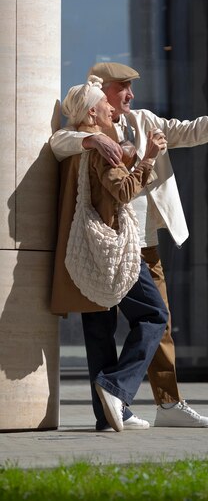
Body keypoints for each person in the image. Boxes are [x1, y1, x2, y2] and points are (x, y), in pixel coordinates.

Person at [50, 62, 208, 428]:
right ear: (102, 91)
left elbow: (188, 131)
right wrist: (92, 138)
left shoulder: (143, 121)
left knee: (159, 321)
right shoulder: (84, 130)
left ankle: (166, 403)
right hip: (103, 243)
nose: (130, 95)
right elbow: (58, 143)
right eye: (123, 87)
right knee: (102, 328)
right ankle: (111, 411)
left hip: (142, 244)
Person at [50, 77, 169, 432]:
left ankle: (110, 414)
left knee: (99, 330)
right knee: (153, 315)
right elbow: (123, 192)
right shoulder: (101, 149)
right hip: (112, 249)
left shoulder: (76, 148)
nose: (112, 107)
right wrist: (148, 159)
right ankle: (116, 387)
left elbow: (61, 141)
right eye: (105, 103)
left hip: (81, 250)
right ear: (91, 112)